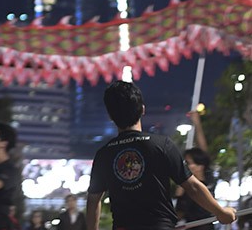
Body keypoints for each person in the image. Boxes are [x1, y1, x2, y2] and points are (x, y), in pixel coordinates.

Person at [85, 81, 235, 230]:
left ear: (110, 116)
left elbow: (93, 200)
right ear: (142, 109)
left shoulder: (104, 154)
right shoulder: (162, 145)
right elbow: (192, 186)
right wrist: (221, 213)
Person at [175, 110, 214, 230]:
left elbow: (203, 150)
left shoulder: (204, 180)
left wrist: (197, 124)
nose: (186, 166)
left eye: (189, 163)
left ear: (200, 165)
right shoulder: (188, 186)